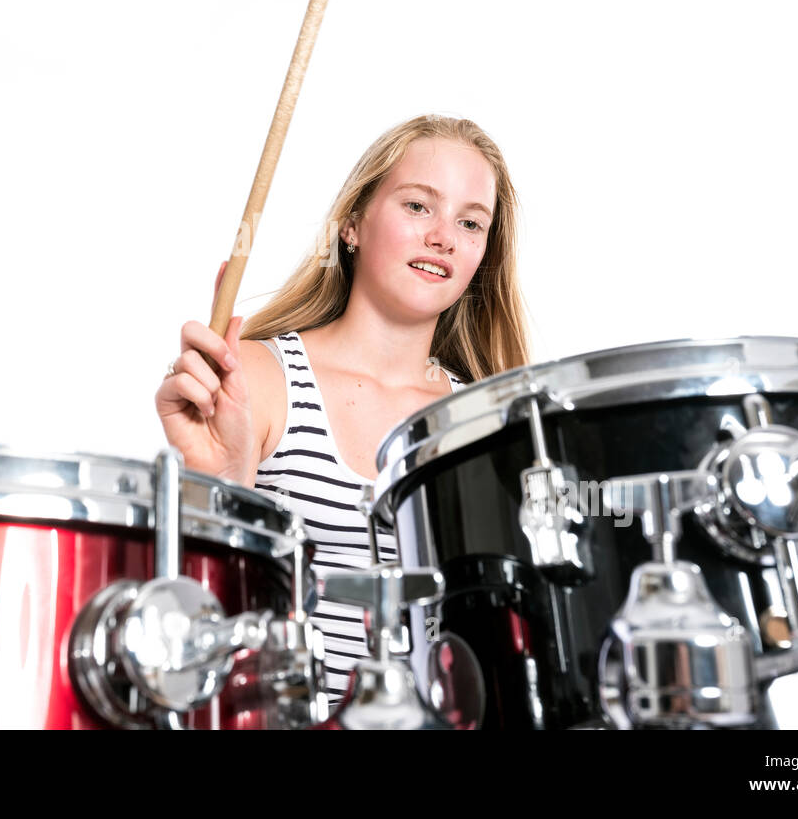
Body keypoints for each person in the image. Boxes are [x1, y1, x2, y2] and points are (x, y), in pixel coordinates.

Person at [154, 114, 530, 697]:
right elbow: (192, 624)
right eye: (417, 206)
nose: (444, 237)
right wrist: (218, 483)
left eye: (471, 222)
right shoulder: (259, 378)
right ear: (352, 224)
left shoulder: (484, 424)